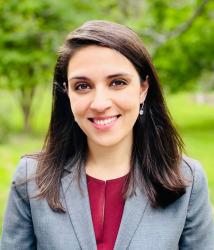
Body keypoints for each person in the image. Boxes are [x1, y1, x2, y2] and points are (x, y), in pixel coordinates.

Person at [1, 20, 214, 250]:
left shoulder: (186, 181)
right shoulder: (32, 179)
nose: (100, 103)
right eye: (82, 86)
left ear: (143, 88)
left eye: (117, 82)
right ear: (67, 93)